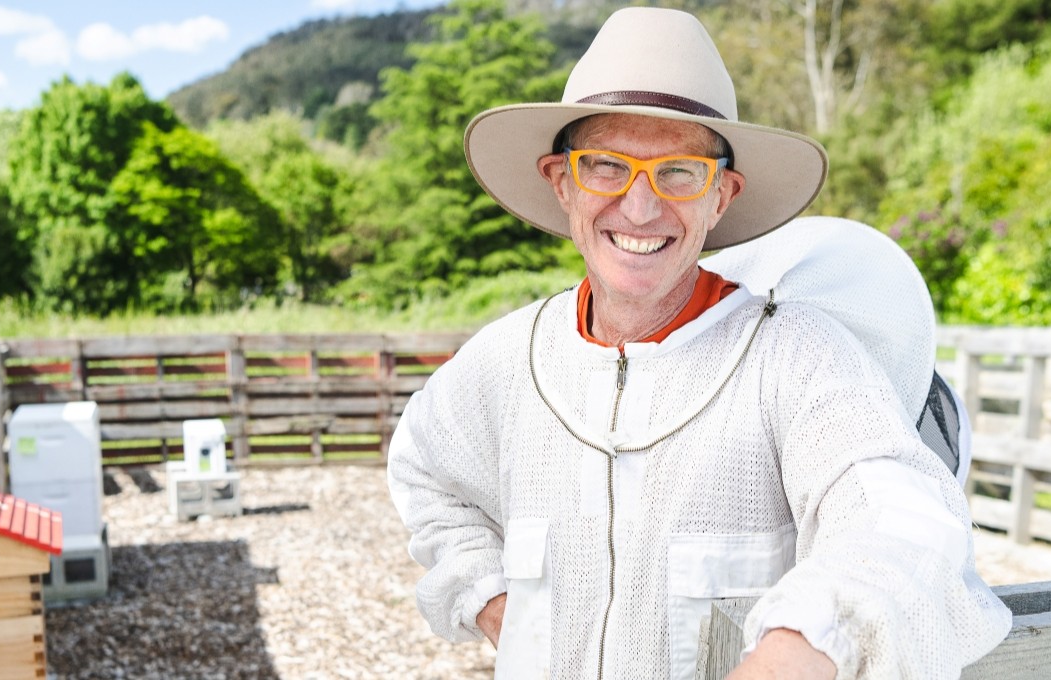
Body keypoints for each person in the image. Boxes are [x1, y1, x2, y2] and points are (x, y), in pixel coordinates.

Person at [387, 6, 1012, 679]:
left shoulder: (797, 356)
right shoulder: (507, 360)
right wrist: (490, 596)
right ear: (560, 181)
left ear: (722, 196)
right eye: (605, 166)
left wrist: (802, 646)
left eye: (680, 172)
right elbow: (424, 468)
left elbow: (899, 517)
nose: (640, 205)